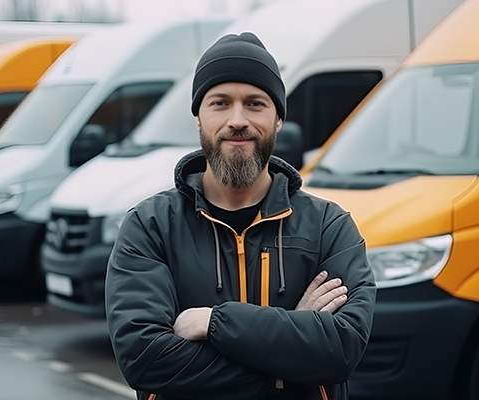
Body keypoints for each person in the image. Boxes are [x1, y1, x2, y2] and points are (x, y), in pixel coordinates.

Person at [105, 32, 376, 400]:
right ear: (198, 118)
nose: (237, 120)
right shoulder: (150, 227)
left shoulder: (329, 227)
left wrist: (213, 323)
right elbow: (146, 360)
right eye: (219, 103)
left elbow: (342, 350)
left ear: (278, 119)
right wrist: (290, 351)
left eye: (255, 103)